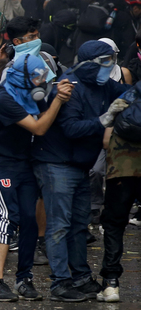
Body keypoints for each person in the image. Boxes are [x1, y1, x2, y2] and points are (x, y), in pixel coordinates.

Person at [33, 40, 129, 302]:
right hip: (57, 164)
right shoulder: (70, 87)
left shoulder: (101, 84)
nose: (109, 67)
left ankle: (81, 278)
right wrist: (104, 120)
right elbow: (71, 128)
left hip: (78, 166)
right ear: (89, 64)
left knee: (78, 226)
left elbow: (127, 91)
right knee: (60, 226)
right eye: (105, 62)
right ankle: (60, 283)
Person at [0, 55, 74, 302]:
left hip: (24, 163)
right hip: (1, 164)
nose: (40, 82)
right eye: (36, 77)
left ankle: (24, 278)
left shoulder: (30, 94)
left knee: (30, 220)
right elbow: (39, 128)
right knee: (7, 217)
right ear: (22, 77)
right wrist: (58, 101)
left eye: (43, 78)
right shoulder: (2, 98)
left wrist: (58, 90)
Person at [97, 80, 141, 302]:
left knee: (114, 225)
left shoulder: (126, 97)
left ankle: (111, 283)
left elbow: (106, 140)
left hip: (122, 169)